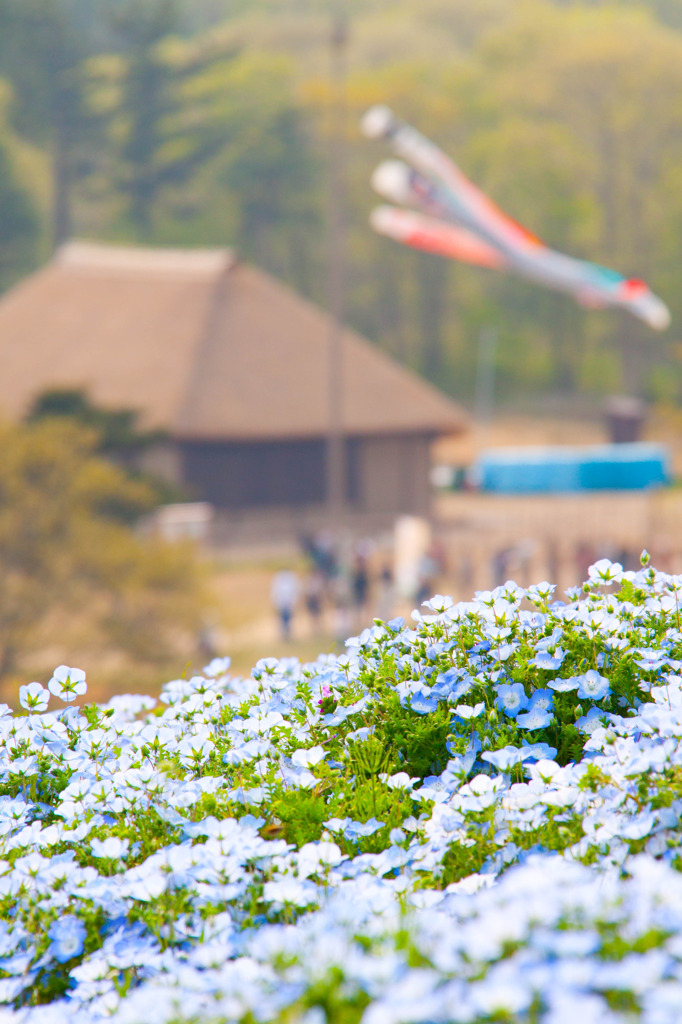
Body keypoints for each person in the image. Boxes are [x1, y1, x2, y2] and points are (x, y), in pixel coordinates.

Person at [270, 569, 300, 641]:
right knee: (283, 621)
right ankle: (284, 636)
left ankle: (288, 635)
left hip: (289, 604)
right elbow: (274, 592)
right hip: (282, 604)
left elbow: (295, 591)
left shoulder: (290, 578)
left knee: (289, 620)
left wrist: (294, 602)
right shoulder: (279, 579)